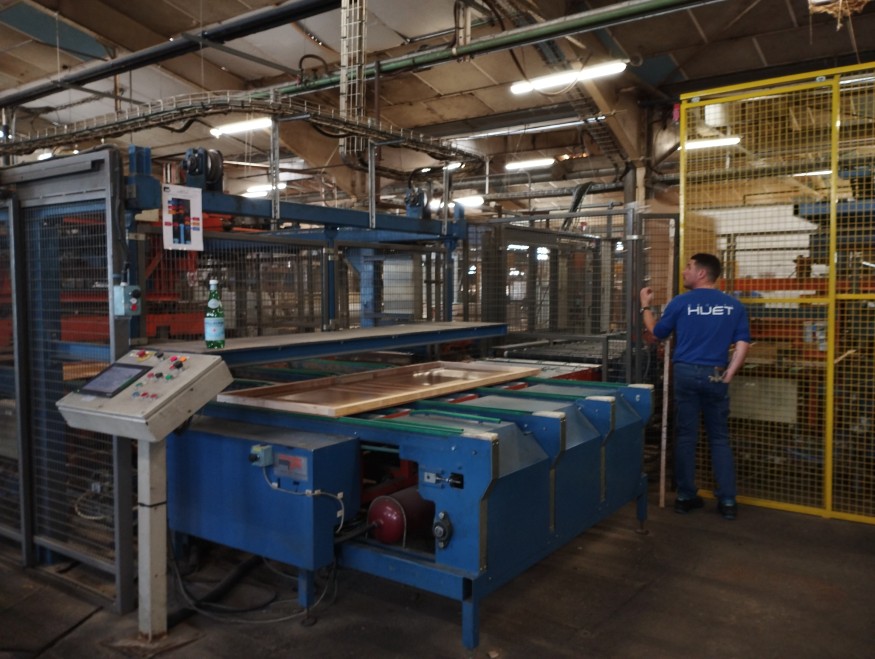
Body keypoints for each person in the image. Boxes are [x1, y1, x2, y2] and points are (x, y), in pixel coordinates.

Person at [640, 253, 751, 520]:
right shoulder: (733, 306)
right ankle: (727, 502)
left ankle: (685, 497)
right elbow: (742, 344)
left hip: (686, 374)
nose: (684, 271)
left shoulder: (681, 303)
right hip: (716, 374)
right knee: (719, 438)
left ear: (701, 273)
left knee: (686, 436)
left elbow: (657, 333)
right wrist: (730, 373)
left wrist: (645, 306)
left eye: (689, 267)